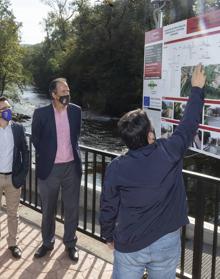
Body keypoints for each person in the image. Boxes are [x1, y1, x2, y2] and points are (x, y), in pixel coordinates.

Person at [100, 64, 206, 279]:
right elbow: (189, 124)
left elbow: (108, 205)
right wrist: (196, 89)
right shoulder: (168, 151)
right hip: (166, 241)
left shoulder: (117, 168)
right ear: (150, 135)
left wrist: (108, 235)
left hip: (130, 242)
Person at [31, 78, 82, 262]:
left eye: (67, 89)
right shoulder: (41, 113)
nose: (66, 93)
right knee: (48, 210)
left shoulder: (76, 111)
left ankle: (70, 244)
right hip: (50, 169)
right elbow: (36, 139)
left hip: (71, 168)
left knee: (72, 209)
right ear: (53, 94)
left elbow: (76, 136)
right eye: (62, 90)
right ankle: (47, 243)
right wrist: (48, 156)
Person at [0, 96, 29, 259]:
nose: (8, 111)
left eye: (9, 107)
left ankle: (12, 244)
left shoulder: (18, 128)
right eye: (4, 109)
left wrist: (22, 175)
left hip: (13, 179)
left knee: (13, 213)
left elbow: (25, 152)